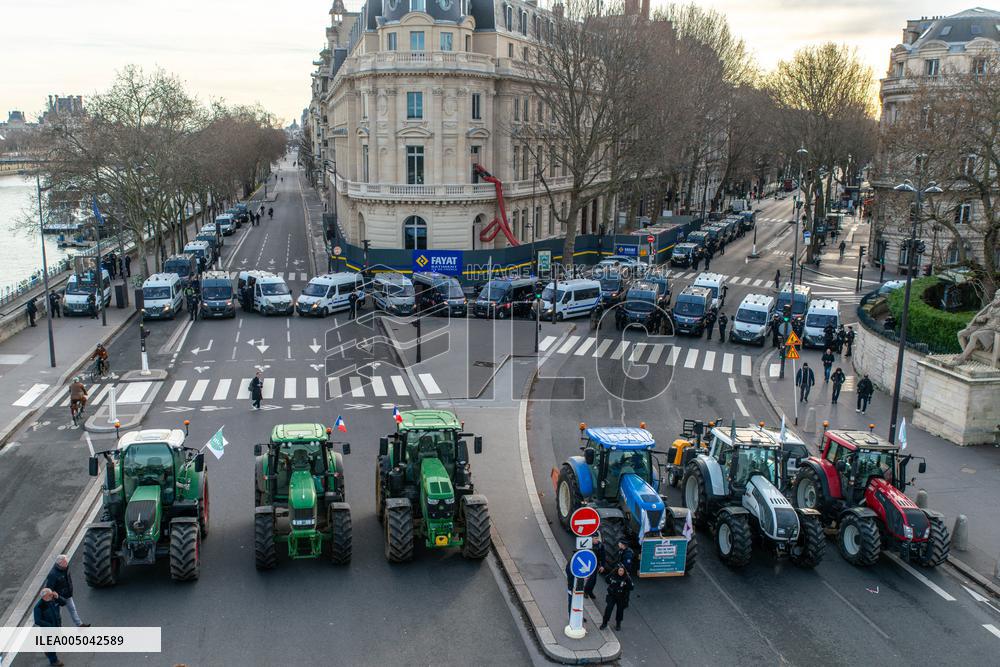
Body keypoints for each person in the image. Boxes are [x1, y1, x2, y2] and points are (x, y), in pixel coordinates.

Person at [45, 554, 88, 627]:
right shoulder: (52, 575)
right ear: (60, 563)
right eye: (65, 562)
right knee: (57, 615)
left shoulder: (66, 568)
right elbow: (49, 588)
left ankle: (80, 625)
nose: (67, 563)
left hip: (67, 595)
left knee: (73, 610)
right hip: (57, 598)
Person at [33, 588, 66, 666]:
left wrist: (58, 597)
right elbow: (37, 620)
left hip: (57, 626)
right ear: (44, 596)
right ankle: (54, 661)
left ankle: (45, 647)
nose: (52, 595)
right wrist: (49, 626)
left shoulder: (53, 599)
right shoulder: (39, 607)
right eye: (50, 594)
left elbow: (64, 603)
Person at [600, 564, 634, 632]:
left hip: (621, 597)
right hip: (612, 595)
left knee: (620, 611)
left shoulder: (626, 578)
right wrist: (612, 572)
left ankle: (618, 624)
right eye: (619, 570)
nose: (621, 572)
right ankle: (604, 623)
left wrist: (627, 580)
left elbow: (631, 587)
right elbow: (606, 580)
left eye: (622, 571)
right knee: (608, 609)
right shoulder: (613, 575)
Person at [584, 533, 606, 600]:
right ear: (592, 539)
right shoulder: (587, 544)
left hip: (595, 564)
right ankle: (586, 591)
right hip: (588, 564)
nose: (597, 539)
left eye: (597, 538)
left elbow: (603, 556)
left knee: (594, 580)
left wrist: (602, 565)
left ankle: (590, 591)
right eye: (595, 538)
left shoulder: (600, 545)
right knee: (590, 579)